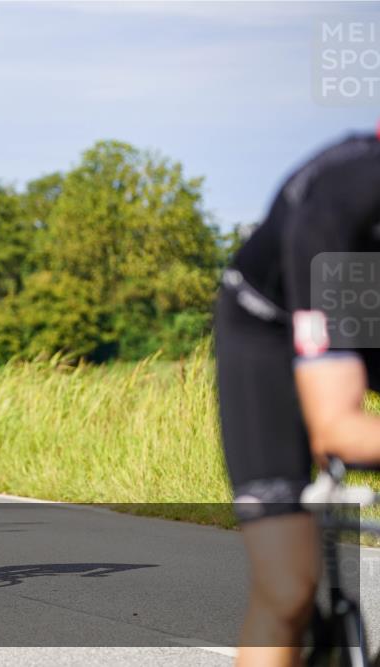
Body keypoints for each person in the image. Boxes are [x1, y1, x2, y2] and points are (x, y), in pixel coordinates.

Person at [216, 129, 380, 665]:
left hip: (368, 318)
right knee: (287, 587)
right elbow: (337, 428)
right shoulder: (341, 198)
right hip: (267, 335)